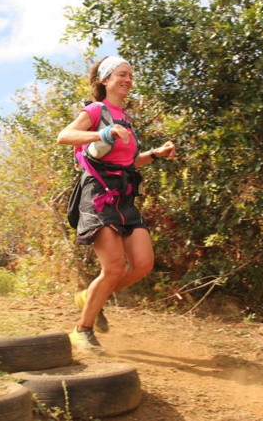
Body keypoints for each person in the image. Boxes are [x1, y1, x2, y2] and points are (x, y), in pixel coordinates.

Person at [57, 55, 176, 352]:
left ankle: (90, 297)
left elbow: (129, 160)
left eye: (130, 76)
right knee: (112, 267)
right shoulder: (97, 110)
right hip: (97, 193)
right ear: (106, 79)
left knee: (142, 265)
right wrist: (102, 132)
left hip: (124, 194)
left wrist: (157, 154)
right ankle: (82, 330)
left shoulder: (126, 118)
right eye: (122, 74)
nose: (127, 80)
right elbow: (64, 136)